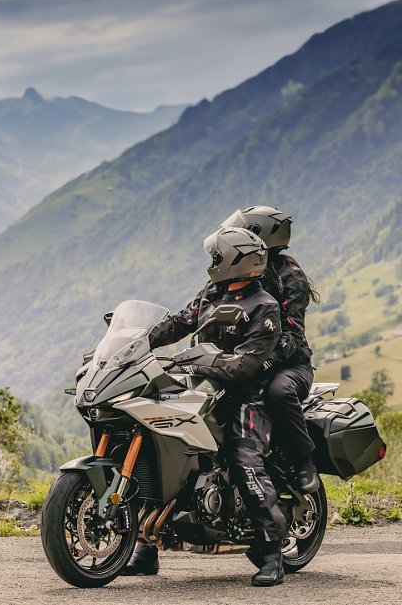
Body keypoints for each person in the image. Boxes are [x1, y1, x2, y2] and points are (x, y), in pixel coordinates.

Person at [121, 226, 289, 587]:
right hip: (202, 389)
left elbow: (246, 365)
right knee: (156, 448)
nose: (211, 262)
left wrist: (198, 362)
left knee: (245, 459)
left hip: (247, 396)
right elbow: (179, 323)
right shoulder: (212, 293)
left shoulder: (264, 306)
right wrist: (137, 343)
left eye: (216, 256)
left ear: (235, 259)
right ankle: (144, 548)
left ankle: (271, 553)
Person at [220, 206, 320, 494]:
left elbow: (292, 336)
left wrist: (261, 363)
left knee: (279, 392)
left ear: (259, 236)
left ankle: (303, 460)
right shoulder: (237, 270)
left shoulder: (291, 278)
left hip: (290, 366)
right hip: (244, 360)